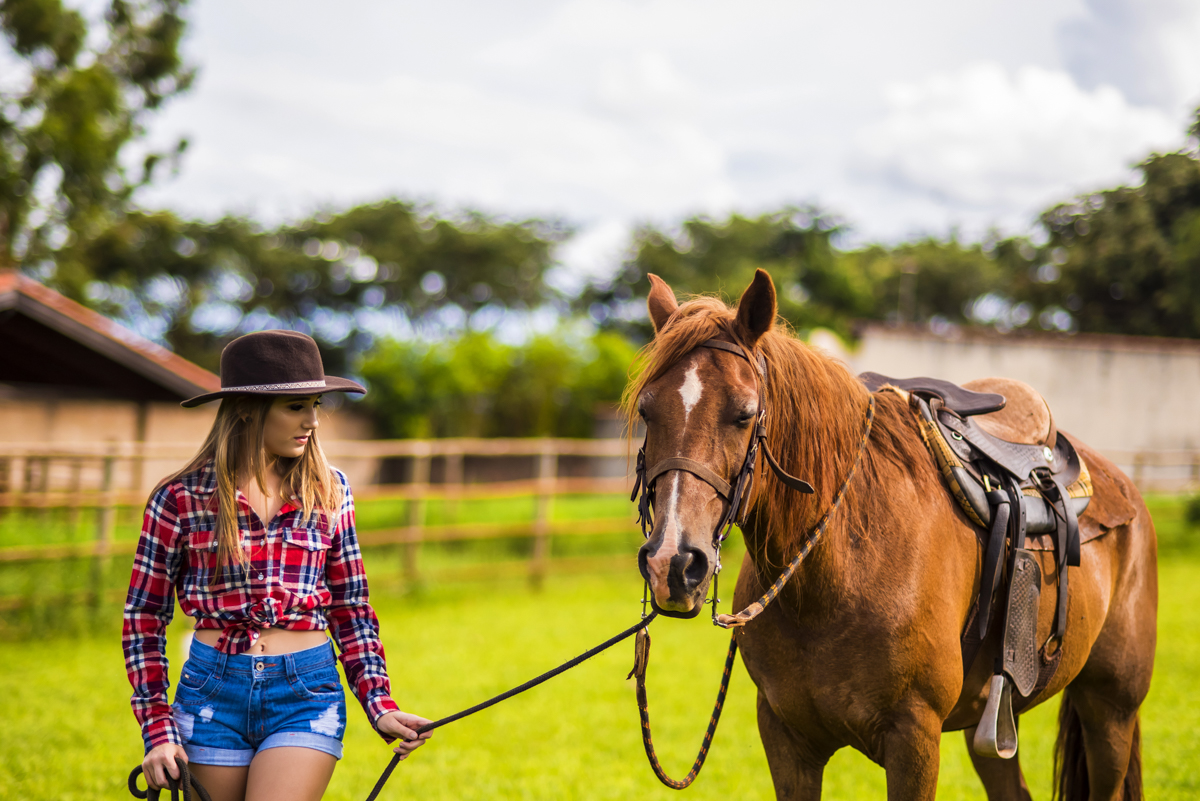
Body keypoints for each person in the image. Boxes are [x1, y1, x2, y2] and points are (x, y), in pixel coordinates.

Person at [123, 330, 431, 801]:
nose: (313, 420)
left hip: (306, 692)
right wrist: (157, 729)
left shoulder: (330, 490)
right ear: (247, 408)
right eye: (296, 406)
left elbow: (351, 607)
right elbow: (143, 619)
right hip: (210, 692)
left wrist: (379, 702)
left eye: (316, 405)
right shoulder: (179, 498)